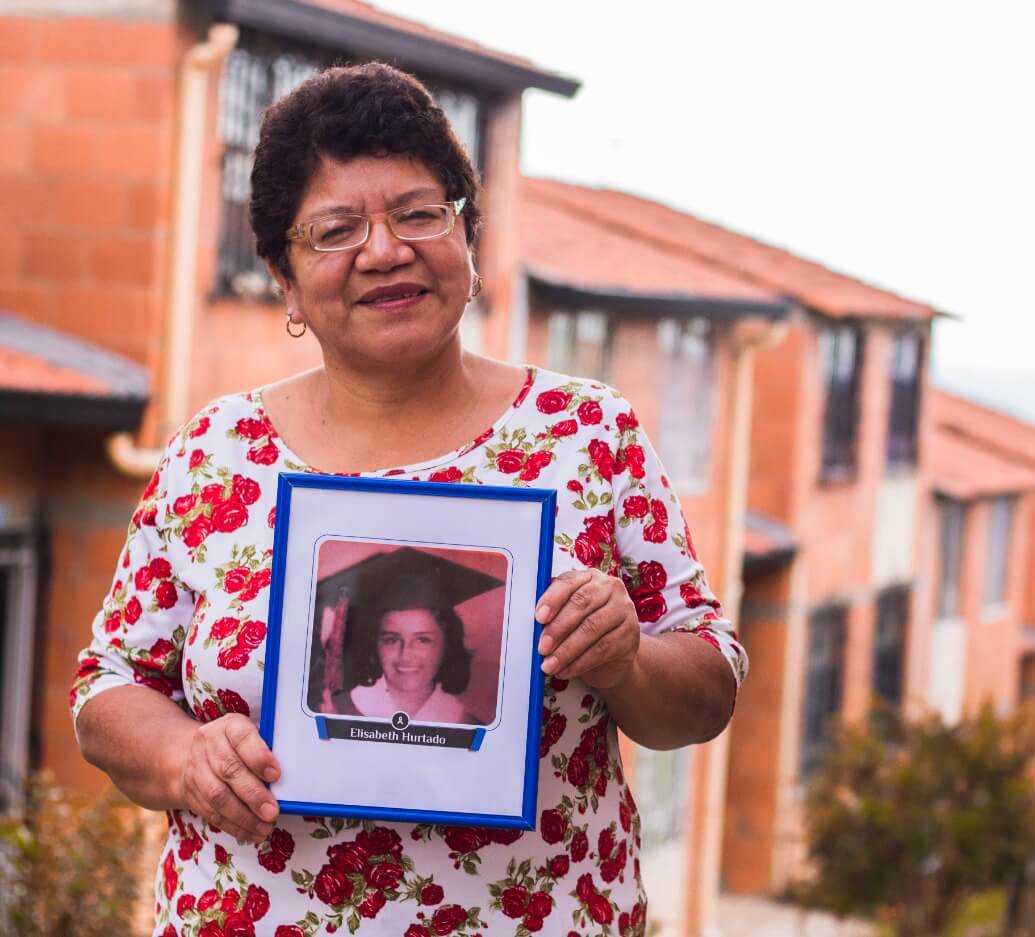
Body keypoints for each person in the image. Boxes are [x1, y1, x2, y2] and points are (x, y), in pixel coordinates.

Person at [70, 62, 747, 936]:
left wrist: (627, 659)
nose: (384, 250)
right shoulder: (215, 452)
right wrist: (182, 755)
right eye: (335, 229)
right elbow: (109, 683)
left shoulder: (586, 432)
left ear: (468, 238)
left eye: (420, 213)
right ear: (283, 277)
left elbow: (710, 686)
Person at [325, 547, 501, 726]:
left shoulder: (471, 727)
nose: (406, 654)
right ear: (374, 644)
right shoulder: (336, 711)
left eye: (423, 639)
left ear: (447, 646)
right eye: (391, 640)